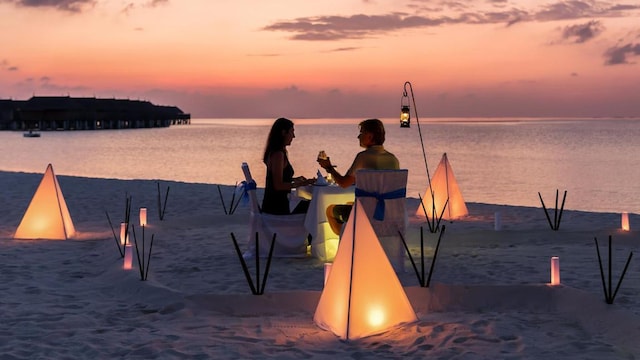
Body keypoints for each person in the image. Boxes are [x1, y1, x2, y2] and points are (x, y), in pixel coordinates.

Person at [317, 118, 399, 234]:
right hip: (389, 213)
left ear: (370, 136)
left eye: (361, 133)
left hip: (367, 215)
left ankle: (352, 240)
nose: (358, 137)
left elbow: (344, 183)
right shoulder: (393, 159)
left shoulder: (363, 157)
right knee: (349, 204)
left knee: (330, 210)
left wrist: (329, 168)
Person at [261, 117, 315, 215]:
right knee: (315, 205)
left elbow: (276, 180)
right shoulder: (278, 155)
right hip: (276, 210)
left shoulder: (275, 152)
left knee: (311, 205)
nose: (293, 136)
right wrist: (302, 184)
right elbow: (278, 185)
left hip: (273, 207)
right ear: (283, 133)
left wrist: (294, 179)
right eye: (291, 132)